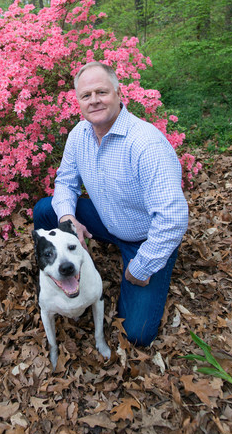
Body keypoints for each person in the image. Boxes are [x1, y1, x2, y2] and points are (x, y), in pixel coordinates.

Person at [33, 61, 188, 347]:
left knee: (137, 334)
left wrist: (141, 267)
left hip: (145, 237)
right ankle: (54, 268)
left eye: (101, 92)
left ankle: (146, 262)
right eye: (86, 95)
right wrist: (69, 220)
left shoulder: (145, 143)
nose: (94, 100)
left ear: (118, 93)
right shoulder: (79, 135)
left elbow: (173, 218)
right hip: (107, 220)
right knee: (46, 209)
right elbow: (65, 183)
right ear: (78, 101)